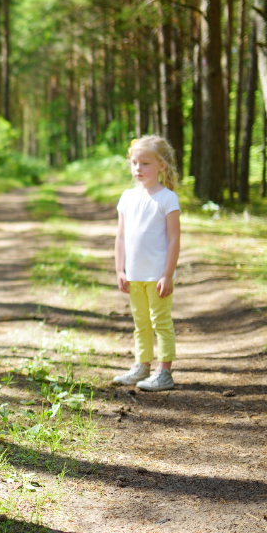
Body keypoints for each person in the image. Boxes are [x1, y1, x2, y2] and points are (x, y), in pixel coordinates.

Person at [113, 135, 181, 392]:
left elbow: (174, 239)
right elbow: (120, 237)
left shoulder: (167, 199)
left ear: (161, 166)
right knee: (140, 322)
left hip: (157, 275)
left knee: (161, 322)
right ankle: (142, 365)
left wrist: (167, 274)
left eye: (145, 163)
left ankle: (164, 372)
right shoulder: (127, 197)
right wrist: (121, 269)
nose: (138, 168)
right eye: (134, 163)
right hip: (135, 275)